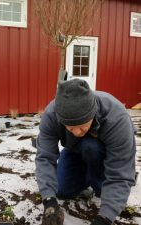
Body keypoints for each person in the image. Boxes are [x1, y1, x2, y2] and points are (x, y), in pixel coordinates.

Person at [35, 79, 136, 225]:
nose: (76, 132)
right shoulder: (51, 115)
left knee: (91, 149)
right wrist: (49, 201)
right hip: (74, 150)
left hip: (105, 154)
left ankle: (99, 181)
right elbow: (44, 158)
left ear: (93, 114)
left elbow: (120, 174)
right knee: (62, 190)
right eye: (69, 128)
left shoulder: (117, 119)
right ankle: (86, 175)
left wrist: (105, 219)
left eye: (81, 126)